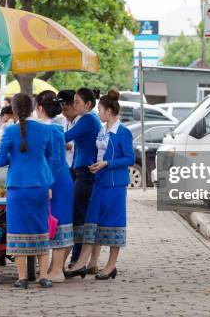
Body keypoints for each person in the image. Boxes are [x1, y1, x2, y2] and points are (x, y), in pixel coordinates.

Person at [65, 89, 134, 280]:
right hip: (99, 181)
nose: (99, 113)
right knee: (91, 222)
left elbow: (129, 158)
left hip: (115, 184)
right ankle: (81, 263)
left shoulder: (123, 132)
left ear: (109, 112)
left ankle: (111, 266)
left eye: (101, 110)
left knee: (114, 223)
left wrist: (107, 164)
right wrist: (97, 165)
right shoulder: (102, 131)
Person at [0, 93, 55, 289]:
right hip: (39, 185)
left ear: (13, 110)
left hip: (17, 188)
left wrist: (14, 158)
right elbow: (49, 155)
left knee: (17, 230)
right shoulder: (45, 129)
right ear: (32, 108)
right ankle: (43, 276)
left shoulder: (9, 131)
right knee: (41, 228)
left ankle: (22, 278)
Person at [35, 91, 74, 282]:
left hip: (57, 181)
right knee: (56, 222)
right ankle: (54, 268)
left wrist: (47, 184)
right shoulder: (54, 127)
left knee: (58, 223)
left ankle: (57, 269)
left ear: (39, 108)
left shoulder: (52, 129)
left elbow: (56, 161)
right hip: (58, 179)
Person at [64, 87, 101, 270]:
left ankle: (76, 259)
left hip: (85, 172)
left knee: (78, 216)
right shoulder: (88, 118)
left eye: (77, 102)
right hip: (81, 170)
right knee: (82, 214)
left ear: (88, 104)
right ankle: (86, 260)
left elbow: (67, 137)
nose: (74, 104)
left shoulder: (87, 119)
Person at [57, 90, 78, 169]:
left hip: (77, 167)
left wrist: (70, 147)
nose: (63, 113)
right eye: (62, 110)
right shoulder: (63, 121)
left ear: (75, 105)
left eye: (66, 110)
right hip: (66, 165)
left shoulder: (83, 123)